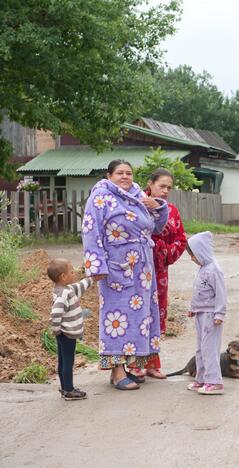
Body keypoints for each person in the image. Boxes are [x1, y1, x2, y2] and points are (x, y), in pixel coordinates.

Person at [81, 159, 169, 390]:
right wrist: (97, 267)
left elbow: (157, 228)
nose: (125, 177)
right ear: (108, 175)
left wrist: (157, 207)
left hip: (142, 268)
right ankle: (117, 372)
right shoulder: (100, 197)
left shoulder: (139, 195)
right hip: (117, 267)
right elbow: (91, 231)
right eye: (119, 173)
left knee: (140, 319)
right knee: (116, 319)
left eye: (128, 173)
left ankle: (132, 365)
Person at [128, 169, 187, 380]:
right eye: (162, 186)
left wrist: (162, 250)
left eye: (169, 188)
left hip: (159, 271)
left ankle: (152, 363)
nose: (165, 191)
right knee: (138, 314)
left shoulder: (171, 210)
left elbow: (181, 240)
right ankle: (136, 363)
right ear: (150, 184)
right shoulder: (135, 204)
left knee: (155, 314)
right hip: (136, 270)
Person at [48, 258, 103, 400]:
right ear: (63, 277)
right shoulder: (63, 294)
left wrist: (93, 279)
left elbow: (80, 286)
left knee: (62, 361)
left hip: (63, 333)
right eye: (71, 271)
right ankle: (69, 390)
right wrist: (56, 330)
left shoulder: (66, 289)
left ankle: (65, 387)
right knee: (67, 362)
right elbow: (55, 313)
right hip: (66, 334)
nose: (74, 274)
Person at [185, 231, 227, 395]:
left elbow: (221, 293)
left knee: (209, 349)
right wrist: (193, 308)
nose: (192, 258)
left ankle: (215, 382)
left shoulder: (214, 270)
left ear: (201, 251)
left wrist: (219, 314)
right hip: (201, 314)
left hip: (211, 316)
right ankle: (201, 378)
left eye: (193, 255)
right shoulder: (203, 268)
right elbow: (198, 291)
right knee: (200, 349)